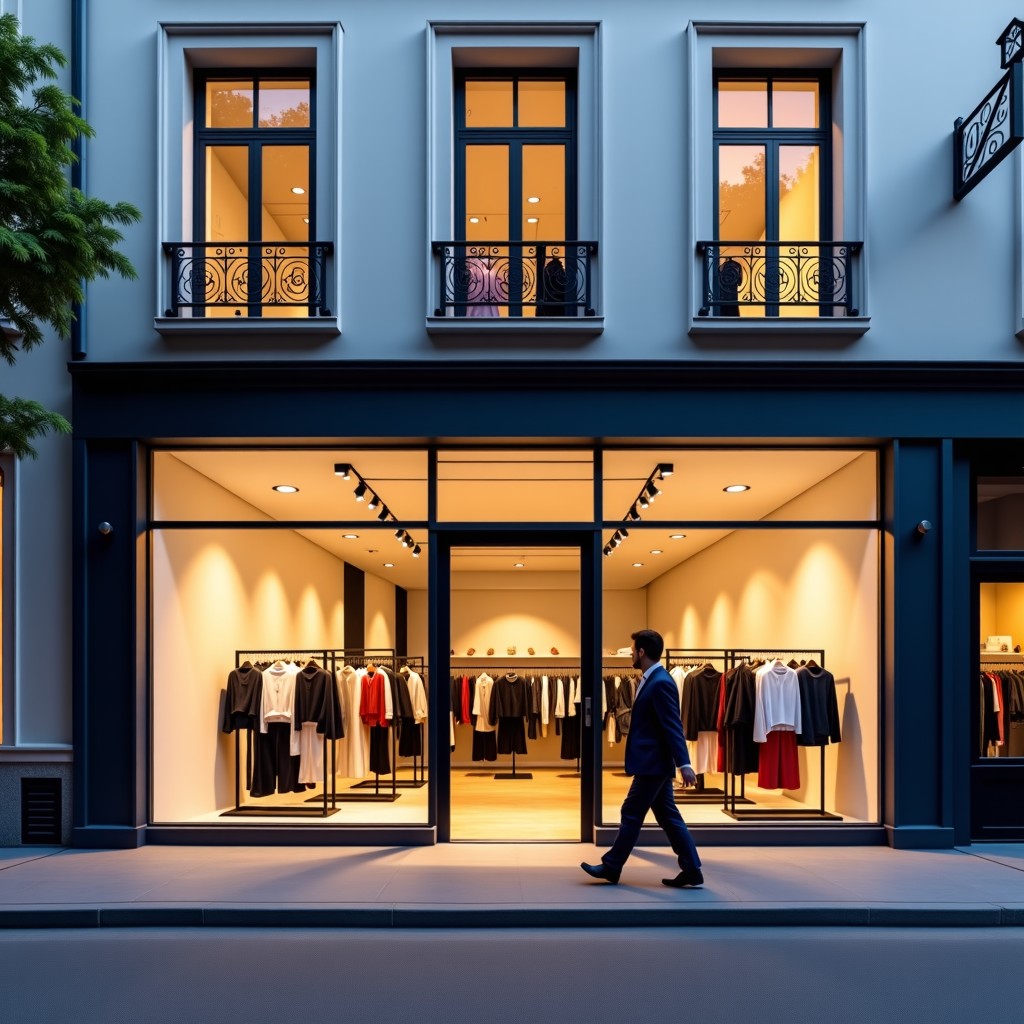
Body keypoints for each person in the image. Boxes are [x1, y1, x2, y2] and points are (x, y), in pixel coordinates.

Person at [581, 629, 704, 888]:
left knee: (632, 812)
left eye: (632, 650)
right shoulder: (652, 678)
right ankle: (692, 869)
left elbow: (672, 726)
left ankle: (612, 866)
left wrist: (684, 764)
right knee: (668, 816)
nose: (630, 655)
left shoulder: (660, 682)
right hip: (653, 762)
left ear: (642, 652)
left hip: (654, 764)